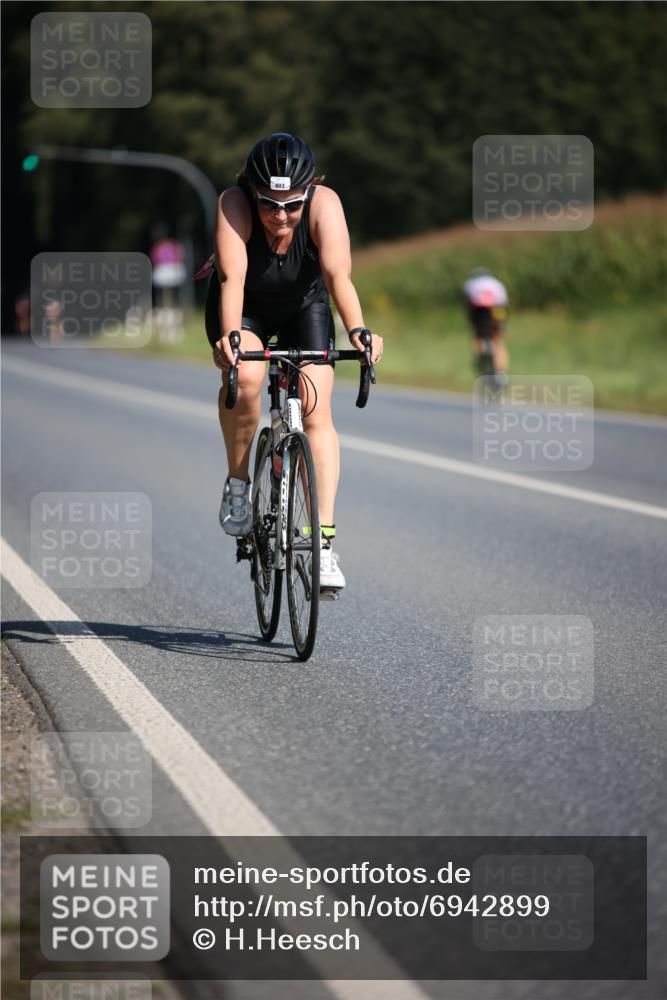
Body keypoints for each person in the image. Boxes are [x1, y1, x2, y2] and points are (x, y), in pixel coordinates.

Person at [204, 132, 383, 594]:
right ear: (252, 193)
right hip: (247, 305)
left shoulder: (325, 204)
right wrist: (232, 339)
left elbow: (338, 275)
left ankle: (322, 547)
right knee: (246, 376)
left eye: (292, 205)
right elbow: (232, 280)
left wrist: (359, 331)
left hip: (306, 304)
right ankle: (239, 484)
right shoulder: (233, 204)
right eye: (269, 204)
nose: (281, 216)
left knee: (315, 407)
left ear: (309, 192)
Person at [462, 267, 509, 378]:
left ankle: (484, 356)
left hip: (480, 310)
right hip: (498, 309)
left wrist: (471, 321)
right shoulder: (496, 283)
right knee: (499, 340)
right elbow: (505, 302)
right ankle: (501, 372)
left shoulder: (470, 283)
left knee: (479, 337)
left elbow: (467, 303)